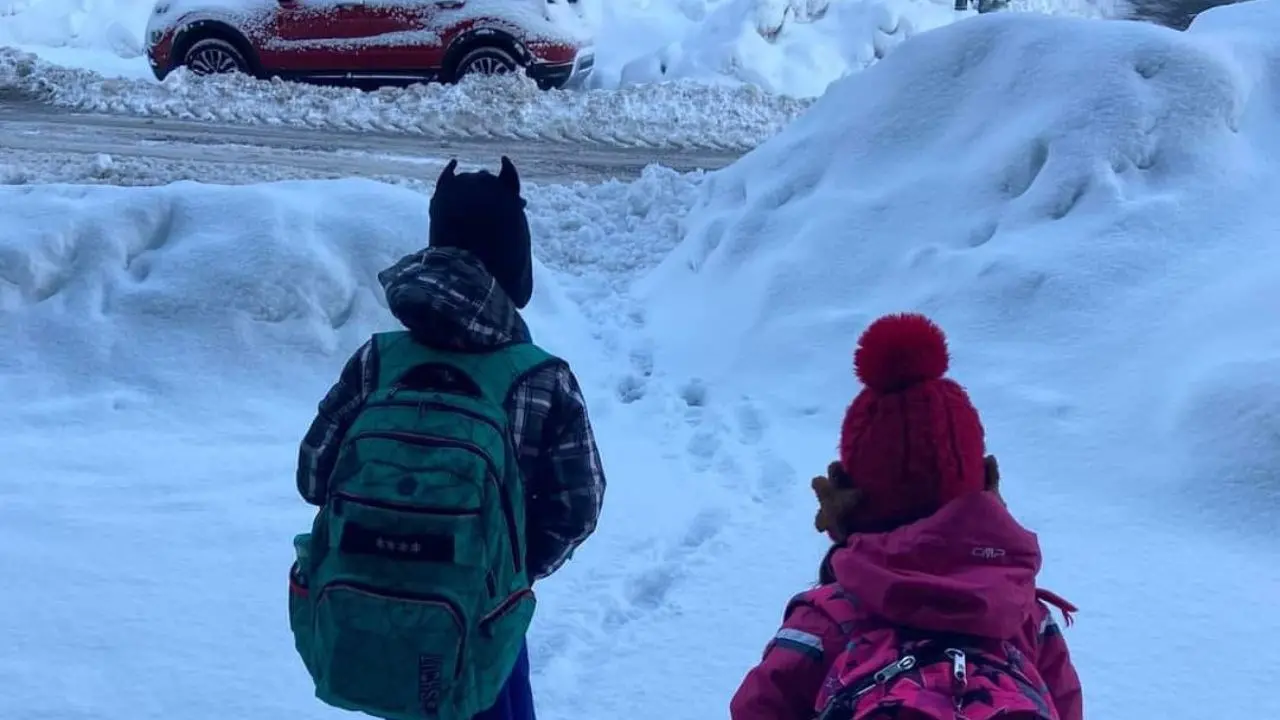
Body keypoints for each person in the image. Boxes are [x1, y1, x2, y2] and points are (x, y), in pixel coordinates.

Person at [293, 157, 607, 720]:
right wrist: (503, 569)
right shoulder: (540, 378)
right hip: (484, 625)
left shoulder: (377, 360)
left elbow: (315, 473)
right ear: (516, 261)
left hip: (373, 615)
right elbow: (578, 506)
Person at [730, 312, 1082, 720]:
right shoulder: (1025, 615)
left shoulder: (826, 617)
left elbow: (757, 709)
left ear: (853, 502)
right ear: (983, 489)